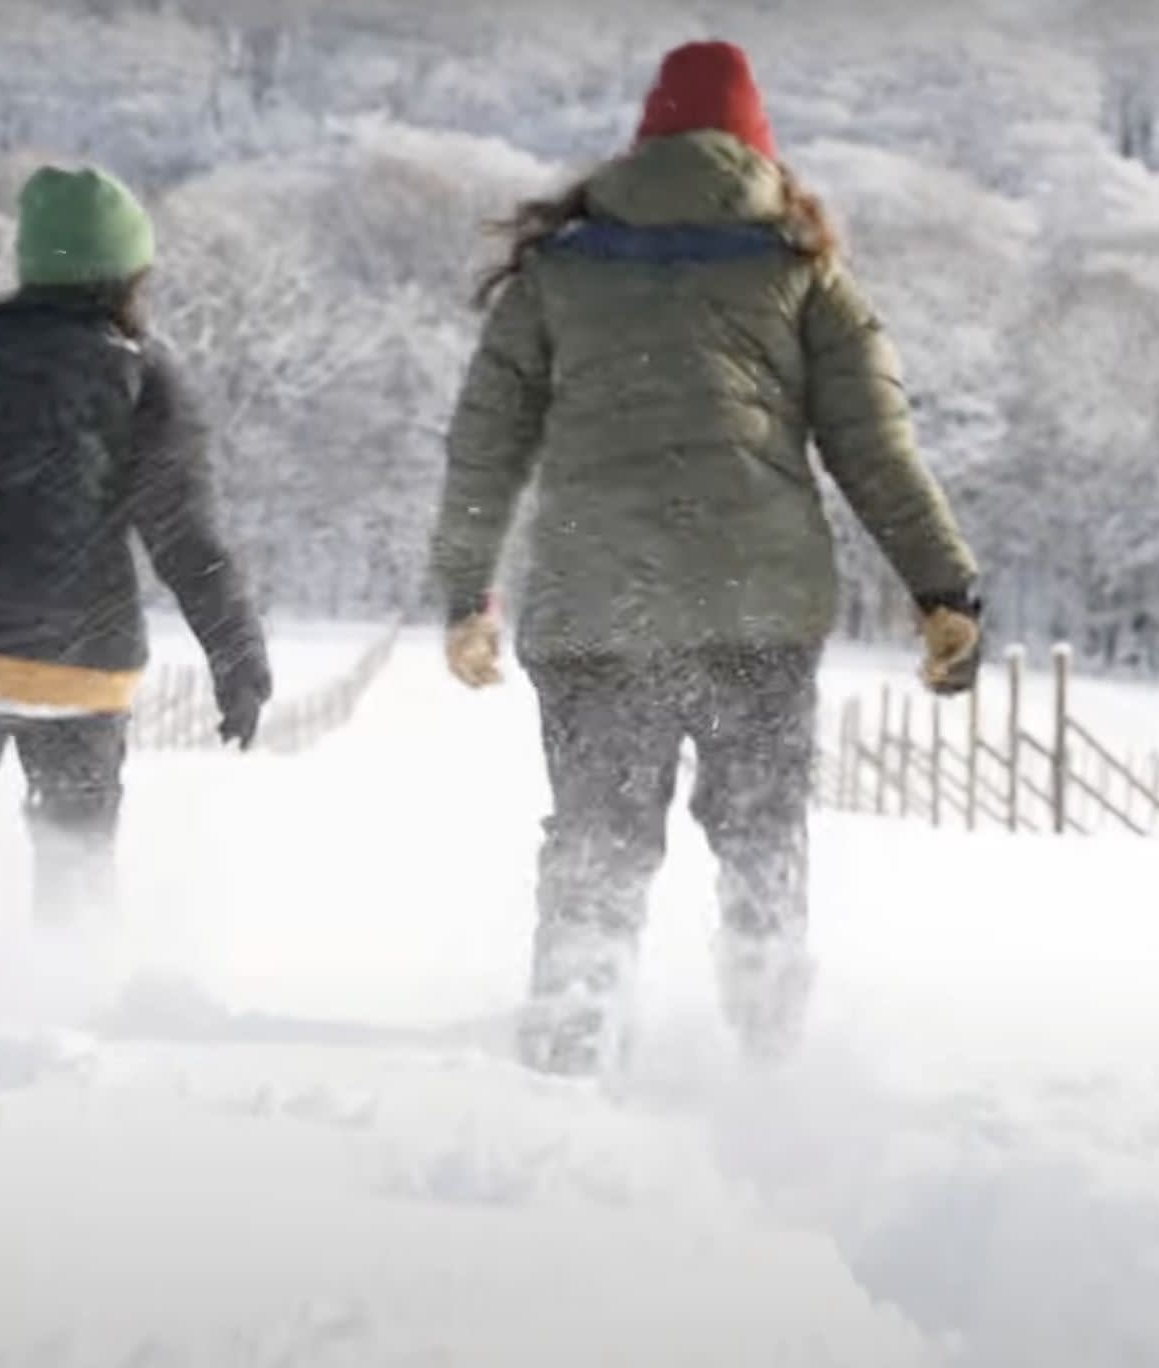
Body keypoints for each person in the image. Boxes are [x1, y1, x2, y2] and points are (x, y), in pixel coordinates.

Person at [431, 41, 984, 1074]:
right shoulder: (803, 272)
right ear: (757, 152)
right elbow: (877, 449)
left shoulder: (558, 274)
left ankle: (569, 1050)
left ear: (646, 145)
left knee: (598, 846)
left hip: (600, 609)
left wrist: (467, 594)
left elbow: (484, 445)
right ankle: (771, 1058)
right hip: (755, 609)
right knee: (762, 840)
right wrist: (941, 589)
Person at [0, 166, 272, 994]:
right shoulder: (140, 375)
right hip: (75, 667)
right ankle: (64, 1008)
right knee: (74, 857)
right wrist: (237, 655)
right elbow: (184, 533)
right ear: (128, 276)